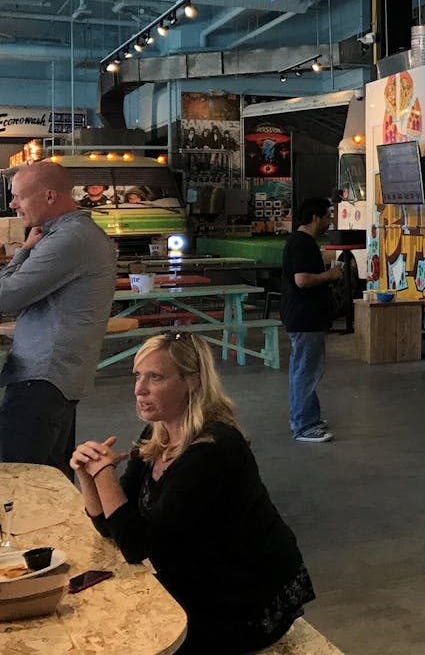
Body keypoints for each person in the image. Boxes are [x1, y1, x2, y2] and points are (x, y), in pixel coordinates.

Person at [72, 333, 315, 654]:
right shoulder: (158, 433)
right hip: (200, 578)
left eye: (154, 377)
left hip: (245, 598)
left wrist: (104, 473)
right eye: (137, 376)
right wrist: (87, 476)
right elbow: (113, 527)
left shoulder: (212, 450)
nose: (139, 389)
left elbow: (135, 545)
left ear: (193, 382)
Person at [0, 161, 117, 476]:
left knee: (19, 481)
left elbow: (6, 297)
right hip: (54, 377)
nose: (13, 204)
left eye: (19, 197)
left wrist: (23, 251)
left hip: (41, 379)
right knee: (51, 481)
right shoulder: (68, 235)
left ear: (49, 196)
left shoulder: (70, 239)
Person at [280, 197, 344, 443]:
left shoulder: (301, 242)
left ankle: (306, 416)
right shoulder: (302, 243)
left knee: (305, 369)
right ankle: (304, 425)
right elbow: (302, 280)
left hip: (305, 316)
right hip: (305, 317)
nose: (330, 221)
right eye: (327, 216)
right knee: (306, 371)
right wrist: (331, 274)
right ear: (316, 217)